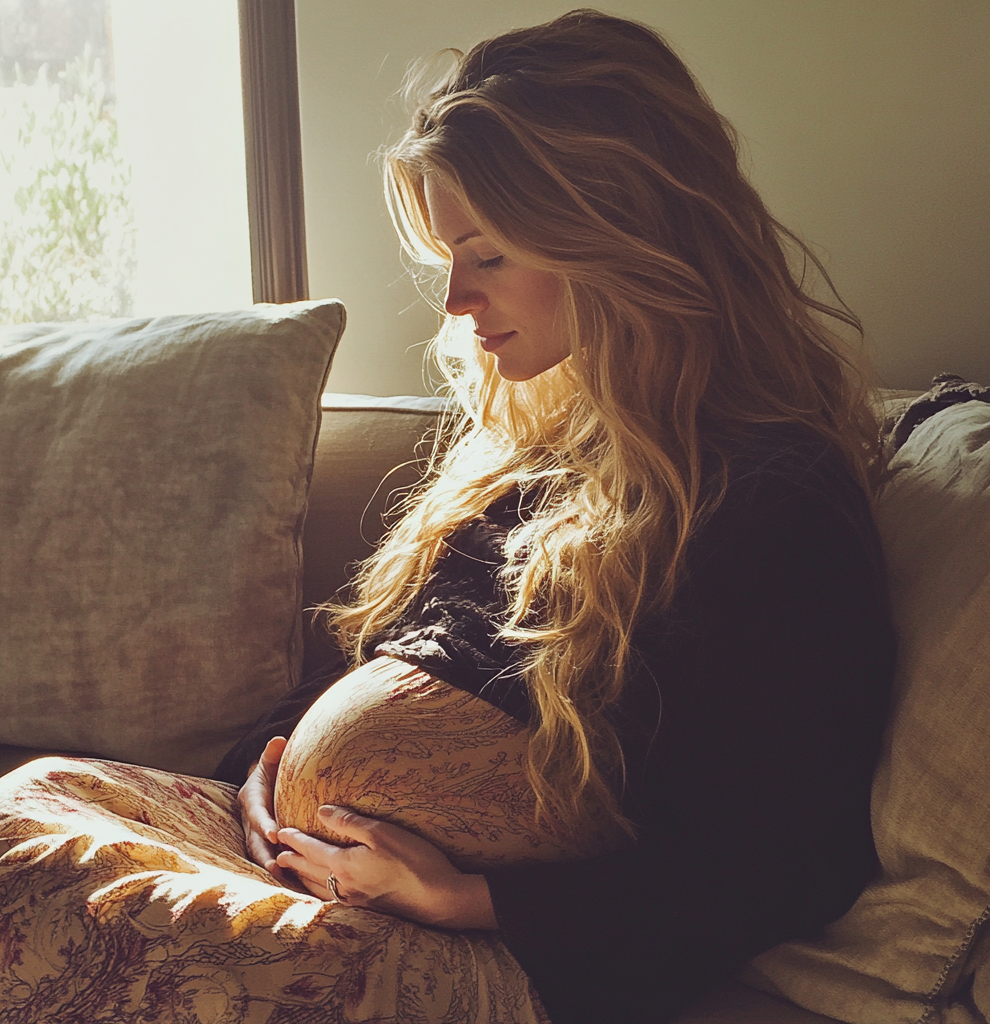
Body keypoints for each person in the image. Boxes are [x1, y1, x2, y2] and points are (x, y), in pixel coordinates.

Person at [216, 9, 896, 1024]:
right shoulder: (539, 444)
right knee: (21, 814)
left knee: (35, 881)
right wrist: (262, 777)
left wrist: (472, 897)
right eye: (451, 255)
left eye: (485, 255)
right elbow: (394, 664)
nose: (453, 299)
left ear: (612, 235)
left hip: (485, 958)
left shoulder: (768, 501)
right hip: (309, 877)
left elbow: (790, 854)